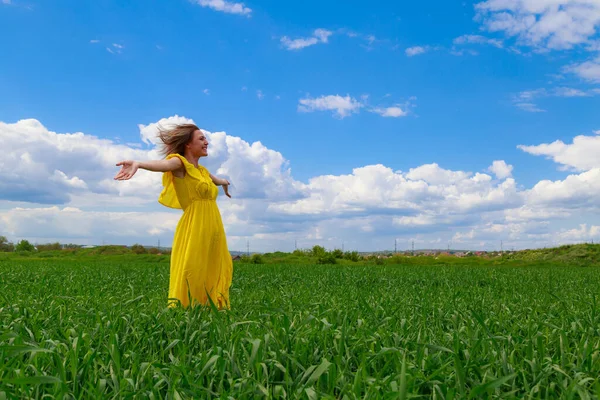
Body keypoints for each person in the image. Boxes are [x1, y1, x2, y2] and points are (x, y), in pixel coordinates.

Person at [114, 123, 233, 309]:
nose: (206, 142)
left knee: (214, 266)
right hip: (194, 226)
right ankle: (187, 309)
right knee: (193, 268)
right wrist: (139, 163)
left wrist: (225, 184)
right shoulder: (179, 163)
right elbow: (163, 165)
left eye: (205, 138)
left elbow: (218, 180)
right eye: (201, 139)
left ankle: (210, 307)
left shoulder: (202, 172)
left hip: (214, 228)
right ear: (188, 144)